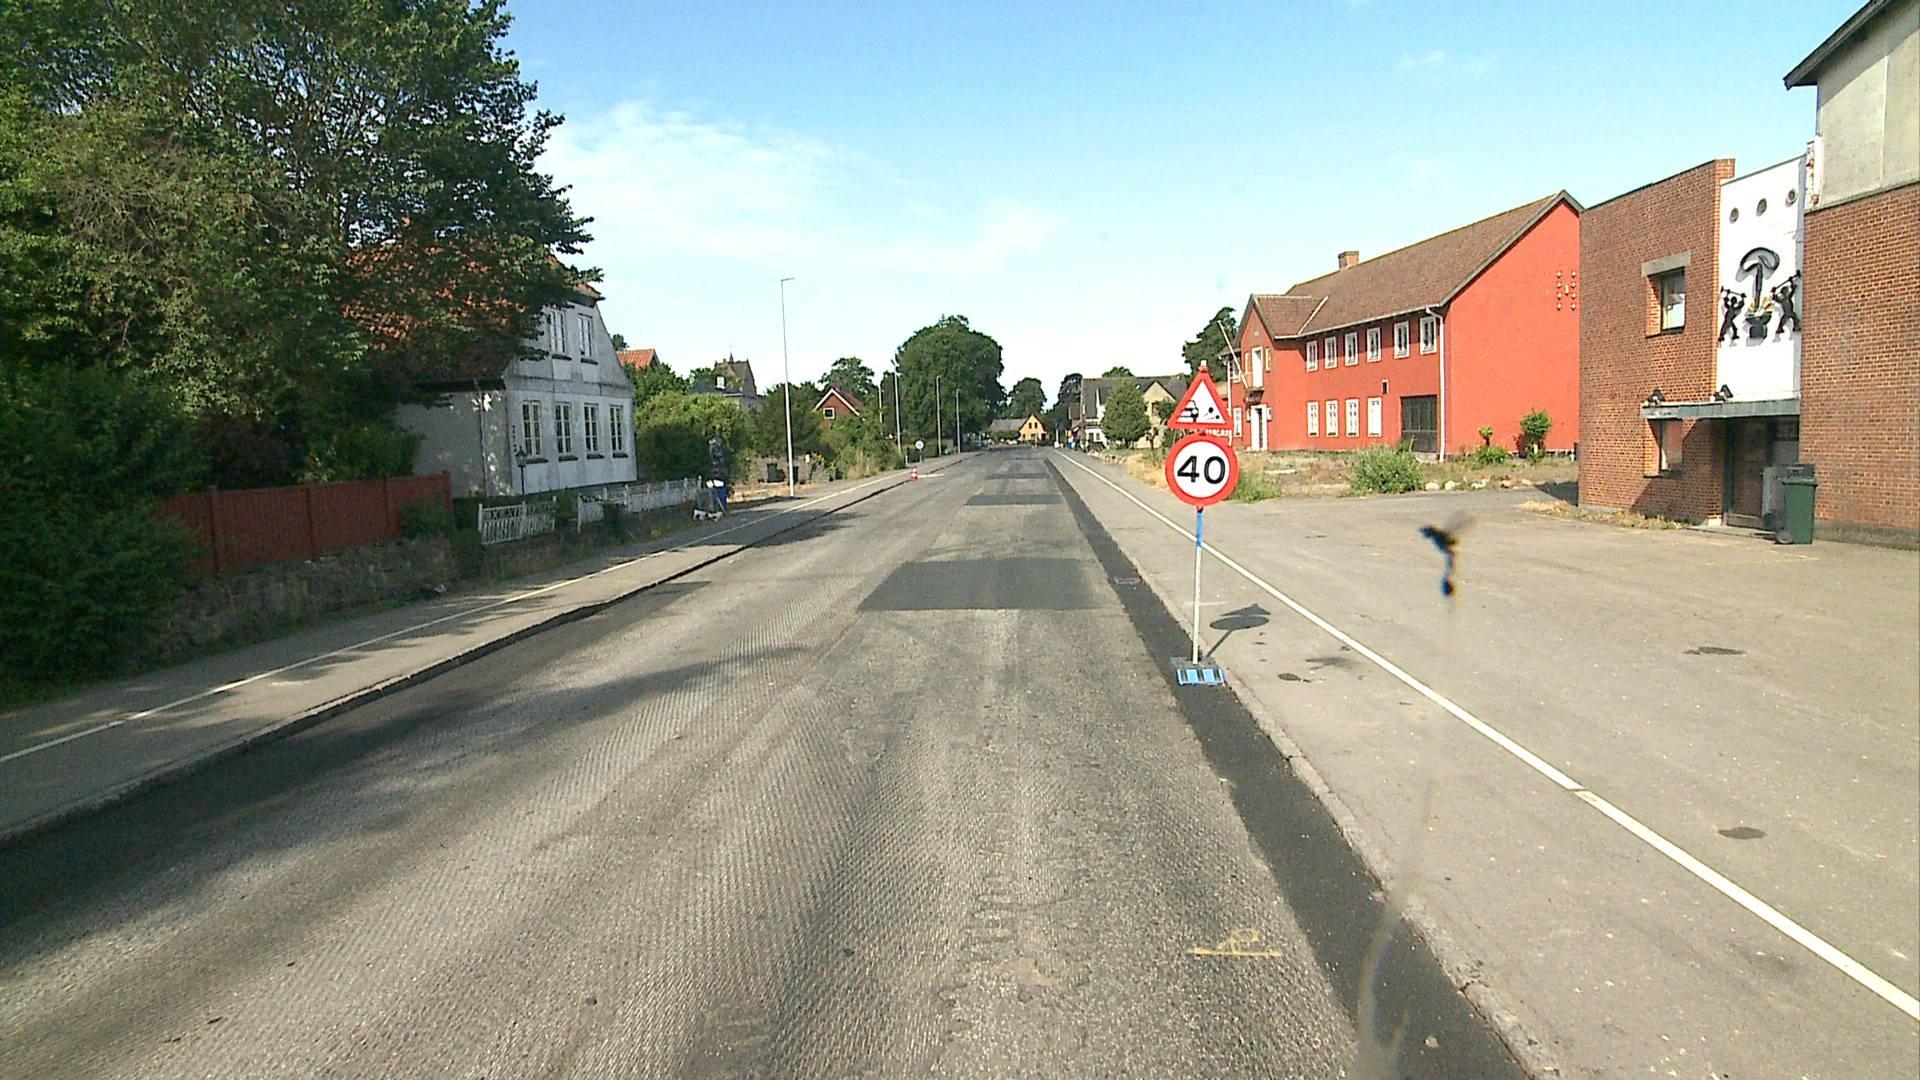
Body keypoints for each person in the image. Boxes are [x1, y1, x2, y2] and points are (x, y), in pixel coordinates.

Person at [706, 434, 730, 515]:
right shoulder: (715, 452)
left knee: (720, 492)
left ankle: (722, 508)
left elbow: (721, 462)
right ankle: (720, 508)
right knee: (717, 493)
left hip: (719, 476)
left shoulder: (717, 452)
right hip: (716, 476)